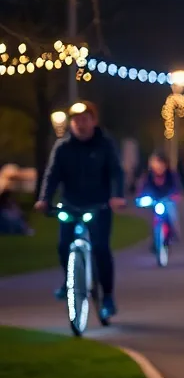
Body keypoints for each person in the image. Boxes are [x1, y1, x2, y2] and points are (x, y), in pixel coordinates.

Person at [34, 101, 126, 318]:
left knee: (101, 248)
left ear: (93, 121)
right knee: (63, 245)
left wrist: (116, 196)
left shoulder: (105, 144)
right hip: (71, 204)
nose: (80, 124)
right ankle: (69, 282)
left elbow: (116, 172)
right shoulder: (63, 146)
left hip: (99, 205)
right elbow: (52, 174)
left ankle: (108, 297)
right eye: (76, 120)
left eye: (85, 119)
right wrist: (44, 199)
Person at [136, 152, 182, 245]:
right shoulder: (148, 177)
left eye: (160, 163)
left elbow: (176, 187)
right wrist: (141, 198)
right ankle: (154, 239)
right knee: (152, 218)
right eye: (155, 163)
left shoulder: (170, 175)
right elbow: (142, 189)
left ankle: (174, 233)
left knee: (172, 214)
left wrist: (175, 195)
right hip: (154, 201)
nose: (158, 166)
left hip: (167, 200)